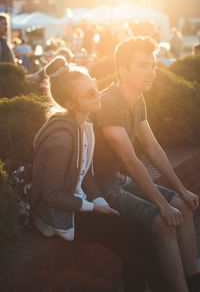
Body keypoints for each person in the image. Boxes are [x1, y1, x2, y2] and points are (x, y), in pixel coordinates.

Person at [31, 56, 170, 292]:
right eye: (89, 93)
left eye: (95, 86)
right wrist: (94, 208)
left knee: (132, 241)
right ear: (71, 103)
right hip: (61, 215)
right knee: (141, 235)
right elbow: (51, 195)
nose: (98, 94)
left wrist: (101, 201)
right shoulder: (62, 138)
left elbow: (86, 176)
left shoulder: (84, 126)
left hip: (79, 203)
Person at [92, 36, 200, 292]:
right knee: (164, 222)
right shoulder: (109, 102)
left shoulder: (136, 99)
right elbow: (130, 159)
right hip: (101, 186)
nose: (151, 72)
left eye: (152, 65)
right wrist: (162, 205)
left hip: (118, 179)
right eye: (143, 65)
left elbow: (152, 148)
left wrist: (181, 190)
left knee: (183, 208)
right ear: (123, 70)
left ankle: (193, 281)